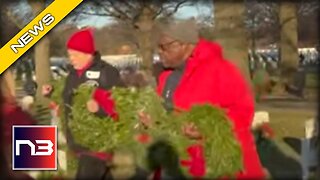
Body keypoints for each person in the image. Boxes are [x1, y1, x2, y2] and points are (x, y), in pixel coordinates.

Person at [153, 20, 265, 179]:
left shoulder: (220, 70)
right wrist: (151, 120)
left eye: (165, 46)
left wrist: (206, 129)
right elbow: (166, 115)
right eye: (159, 47)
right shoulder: (166, 76)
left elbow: (242, 112)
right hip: (175, 163)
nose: (160, 52)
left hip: (214, 164)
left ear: (186, 45)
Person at [42, 28, 123, 178]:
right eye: (69, 55)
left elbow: (122, 105)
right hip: (77, 142)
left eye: (75, 55)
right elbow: (67, 98)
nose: (71, 59)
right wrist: (52, 92)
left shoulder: (107, 73)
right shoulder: (73, 74)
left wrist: (99, 108)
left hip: (97, 144)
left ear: (88, 53)